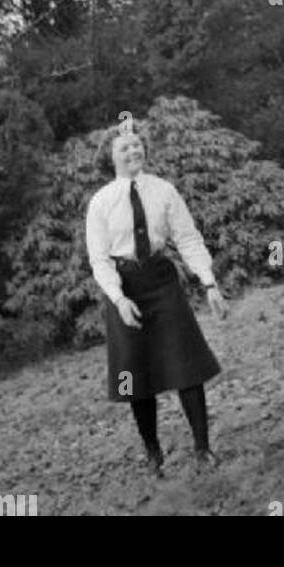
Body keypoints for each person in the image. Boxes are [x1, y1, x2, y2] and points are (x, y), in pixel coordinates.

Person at [85, 125, 229, 477]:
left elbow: (188, 238)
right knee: (135, 375)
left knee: (186, 367)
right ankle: (153, 454)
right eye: (124, 148)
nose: (133, 151)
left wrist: (209, 283)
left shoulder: (164, 191)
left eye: (137, 145)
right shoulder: (101, 201)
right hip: (125, 286)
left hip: (162, 282)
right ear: (111, 156)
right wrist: (119, 300)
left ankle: (202, 449)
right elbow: (99, 259)